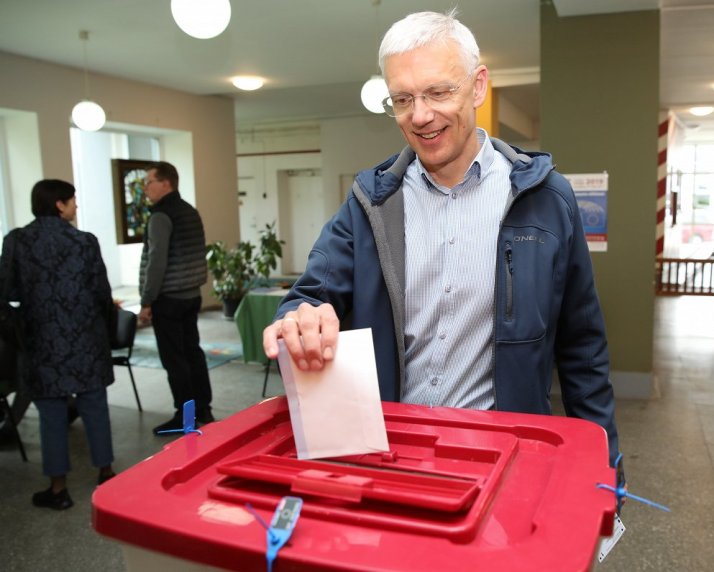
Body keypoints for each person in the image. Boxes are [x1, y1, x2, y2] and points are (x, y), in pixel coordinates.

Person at [263, 10, 622, 468]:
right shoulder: (370, 202)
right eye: (402, 98)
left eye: (438, 92)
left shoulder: (547, 198)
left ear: (477, 86)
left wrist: (605, 471)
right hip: (389, 452)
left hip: (504, 454)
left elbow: (582, 348)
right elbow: (308, 298)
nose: (420, 116)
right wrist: (300, 319)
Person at [0, 179, 116, 510]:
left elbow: (5, 291)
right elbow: (101, 294)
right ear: (59, 205)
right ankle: (106, 475)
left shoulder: (17, 241)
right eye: (72, 201)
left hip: (42, 342)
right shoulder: (85, 242)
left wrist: (19, 324)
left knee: (51, 414)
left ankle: (57, 489)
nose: (76, 206)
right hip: (87, 340)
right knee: (95, 407)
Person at [137, 161, 213, 434]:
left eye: (149, 181)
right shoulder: (189, 211)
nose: (145, 187)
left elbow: (156, 261)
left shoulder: (161, 216)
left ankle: (186, 417)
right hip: (191, 295)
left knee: (175, 359)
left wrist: (147, 301)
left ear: (165, 183)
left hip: (168, 298)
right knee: (192, 352)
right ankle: (203, 409)